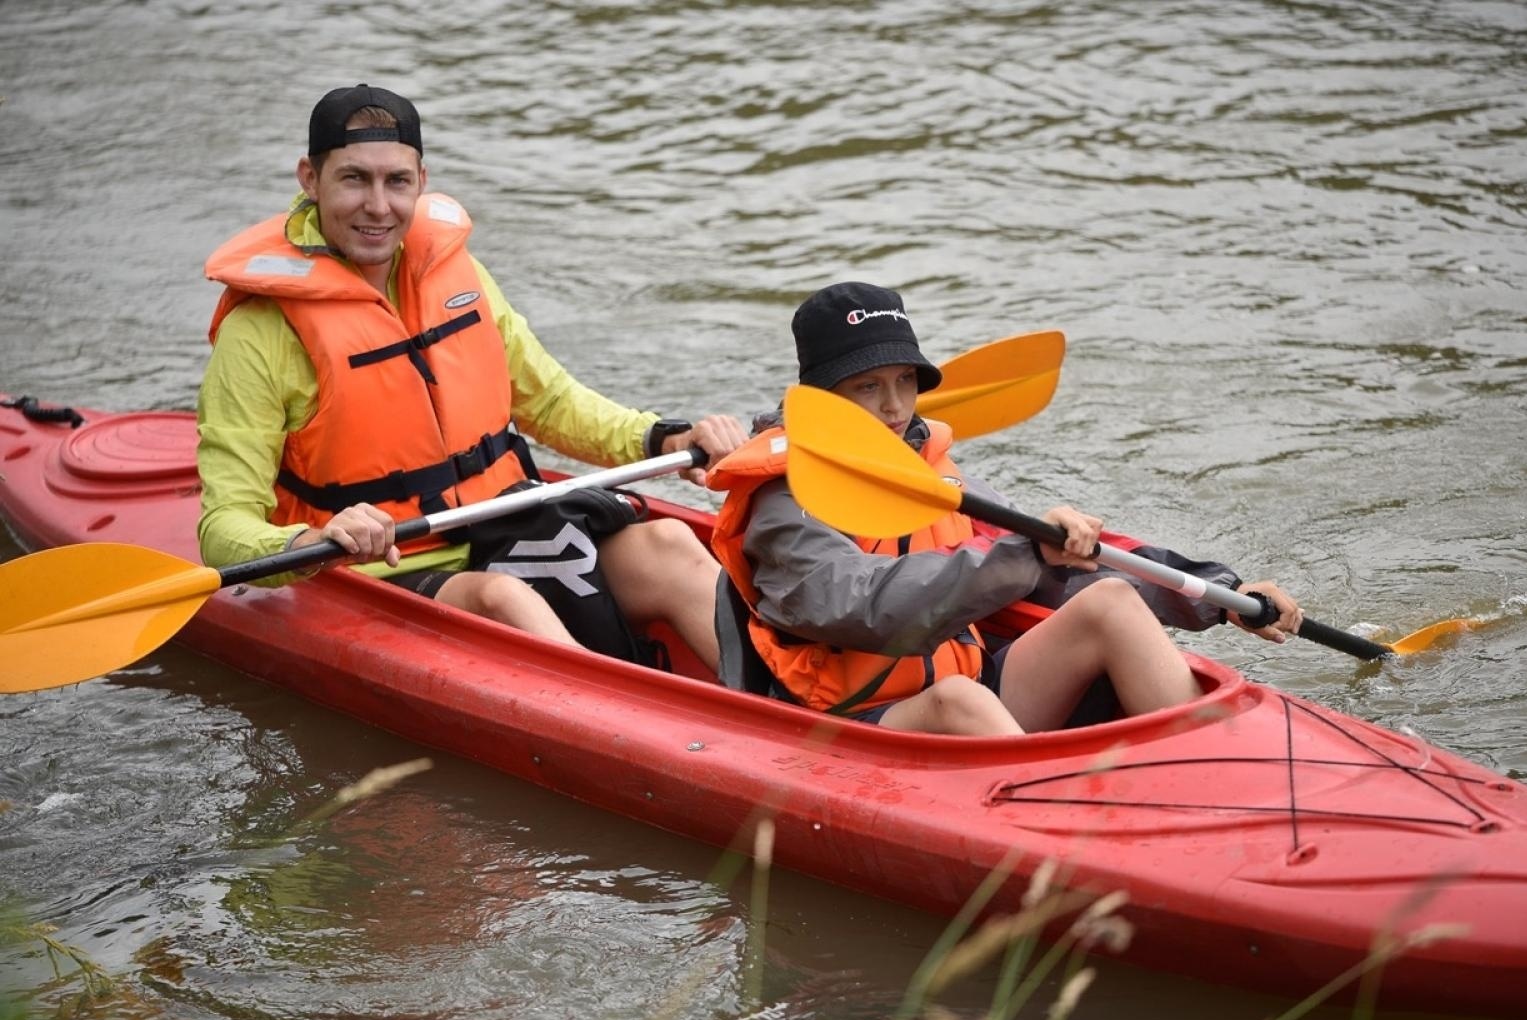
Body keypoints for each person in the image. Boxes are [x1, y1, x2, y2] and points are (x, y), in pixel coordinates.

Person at [197, 84, 746, 670]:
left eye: (397, 181)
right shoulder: (259, 332)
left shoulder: (456, 274)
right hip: (382, 569)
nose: (378, 206)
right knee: (503, 597)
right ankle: (631, 718)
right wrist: (310, 541)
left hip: (497, 521)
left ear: (421, 180)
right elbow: (222, 528)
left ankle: (785, 705)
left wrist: (663, 438)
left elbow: (550, 402)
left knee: (668, 543)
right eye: (354, 179)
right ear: (311, 179)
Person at [707, 281, 1303, 735]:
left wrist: (1220, 595)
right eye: (868, 386)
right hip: (856, 724)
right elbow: (863, 606)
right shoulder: (783, 502)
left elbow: (1062, 553)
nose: (895, 408)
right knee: (960, 701)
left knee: (1110, 602)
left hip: (969, 687)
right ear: (821, 399)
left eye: (905, 381)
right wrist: (1023, 554)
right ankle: (1054, 837)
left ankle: (1213, 768)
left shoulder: (925, 470)